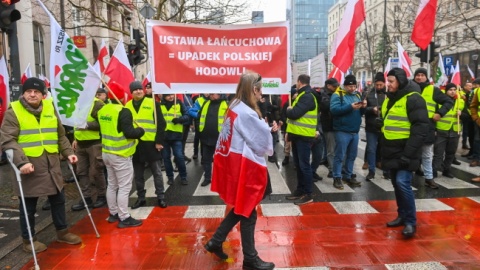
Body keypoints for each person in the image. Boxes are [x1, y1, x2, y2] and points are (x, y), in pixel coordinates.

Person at [0, 77, 82, 253]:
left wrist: (69, 153)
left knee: (58, 200)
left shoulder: (50, 108)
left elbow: (60, 135)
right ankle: (28, 240)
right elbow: (7, 140)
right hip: (29, 166)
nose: (32, 94)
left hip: (52, 165)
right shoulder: (13, 112)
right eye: (29, 91)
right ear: (23, 93)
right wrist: (22, 162)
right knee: (28, 207)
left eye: (36, 91)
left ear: (43, 95)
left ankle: (62, 232)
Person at [205, 71, 275, 270]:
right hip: (243, 166)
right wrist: (268, 132)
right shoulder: (247, 112)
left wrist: (265, 130)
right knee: (247, 211)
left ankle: (216, 241)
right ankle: (250, 259)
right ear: (254, 89)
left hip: (232, 164)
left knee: (242, 207)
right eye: (260, 90)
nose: (262, 94)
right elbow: (260, 143)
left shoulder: (235, 105)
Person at [381, 68, 429, 239]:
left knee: (402, 183)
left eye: (392, 81)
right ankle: (402, 215)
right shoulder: (389, 99)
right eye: (388, 81)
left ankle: (410, 222)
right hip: (391, 151)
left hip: (406, 151)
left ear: (400, 82)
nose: (389, 84)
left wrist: (407, 155)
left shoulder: (414, 99)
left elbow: (420, 130)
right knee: (396, 184)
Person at [98, 81, 145, 228]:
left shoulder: (103, 110)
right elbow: (129, 133)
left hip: (107, 153)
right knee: (124, 187)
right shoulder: (123, 111)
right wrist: (141, 131)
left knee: (112, 185)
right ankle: (124, 217)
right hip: (121, 154)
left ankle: (113, 213)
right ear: (122, 96)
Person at [125, 81, 167, 209]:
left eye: (140, 89)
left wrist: (159, 141)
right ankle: (141, 198)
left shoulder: (153, 103)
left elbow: (161, 124)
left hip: (151, 144)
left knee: (157, 173)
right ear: (131, 93)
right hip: (135, 145)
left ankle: (161, 197)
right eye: (135, 90)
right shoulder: (127, 106)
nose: (138, 91)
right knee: (138, 175)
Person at [412, 67, 454, 188]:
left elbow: (448, 102)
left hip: (427, 127)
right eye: (417, 75)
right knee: (411, 153)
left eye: (422, 75)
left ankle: (429, 178)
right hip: (412, 126)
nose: (419, 77)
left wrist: (440, 113)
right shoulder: (409, 88)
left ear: (426, 77)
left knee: (426, 154)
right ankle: (408, 177)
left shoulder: (433, 90)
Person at [285, 74, 318, 205]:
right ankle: (300, 190)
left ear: (299, 82)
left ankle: (308, 193)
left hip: (304, 136)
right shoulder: (302, 95)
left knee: (304, 166)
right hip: (297, 135)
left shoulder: (307, 96)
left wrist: (288, 109)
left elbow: (294, 114)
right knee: (299, 165)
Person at [71, 94, 107, 211]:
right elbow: (74, 123)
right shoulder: (74, 102)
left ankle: (102, 196)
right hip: (80, 144)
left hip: (95, 143)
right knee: (81, 172)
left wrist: (86, 125)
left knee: (97, 171)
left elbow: (105, 123)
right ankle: (86, 198)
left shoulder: (97, 104)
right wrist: (75, 139)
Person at [330, 74, 365, 189]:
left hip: (354, 131)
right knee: (339, 156)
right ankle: (337, 177)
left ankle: (348, 176)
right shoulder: (337, 95)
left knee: (352, 156)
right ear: (345, 86)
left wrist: (363, 107)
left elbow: (360, 113)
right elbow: (334, 110)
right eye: (350, 86)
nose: (352, 88)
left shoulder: (357, 94)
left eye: (354, 86)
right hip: (342, 130)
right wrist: (350, 107)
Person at [190, 93, 228, 186]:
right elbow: (199, 117)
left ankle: (223, 179)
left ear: (219, 94)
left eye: (213, 93)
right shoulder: (205, 104)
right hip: (206, 138)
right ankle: (207, 178)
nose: (211, 94)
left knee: (222, 161)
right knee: (206, 160)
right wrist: (200, 130)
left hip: (220, 139)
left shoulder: (226, 104)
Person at [433, 83, 465, 178]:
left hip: (455, 131)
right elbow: (434, 115)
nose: (453, 91)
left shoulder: (460, 101)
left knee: (450, 153)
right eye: (450, 90)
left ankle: (446, 169)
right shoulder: (439, 101)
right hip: (441, 130)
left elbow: (468, 116)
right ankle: (434, 170)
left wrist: (461, 114)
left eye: (454, 90)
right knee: (438, 153)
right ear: (446, 91)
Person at [160, 93, 190, 185]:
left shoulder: (179, 103)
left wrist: (179, 119)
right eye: (168, 95)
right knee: (166, 158)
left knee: (179, 157)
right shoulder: (160, 105)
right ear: (164, 96)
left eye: (172, 95)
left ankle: (183, 177)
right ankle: (170, 177)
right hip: (164, 136)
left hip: (176, 136)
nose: (171, 97)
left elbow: (187, 116)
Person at [363, 72, 388, 180]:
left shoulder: (389, 94)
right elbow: (363, 109)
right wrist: (371, 109)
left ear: (384, 84)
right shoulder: (368, 94)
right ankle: (371, 171)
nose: (379, 87)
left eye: (381, 85)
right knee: (371, 150)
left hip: (385, 127)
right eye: (377, 85)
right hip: (371, 127)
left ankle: (386, 171)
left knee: (385, 150)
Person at [320, 78, 338, 178]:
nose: (336, 87)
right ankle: (331, 169)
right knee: (331, 149)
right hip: (328, 125)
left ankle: (337, 168)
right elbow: (326, 106)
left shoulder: (336, 93)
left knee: (337, 148)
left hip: (337, 124)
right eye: (334, 86)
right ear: (328, 86)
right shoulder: (323, 94)